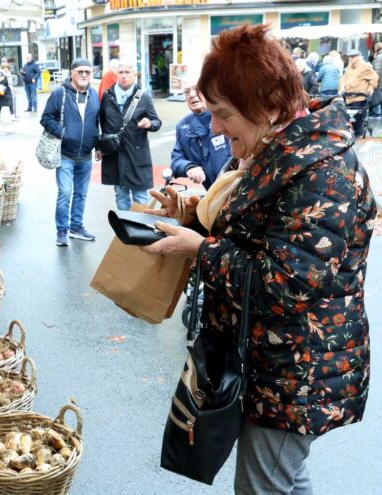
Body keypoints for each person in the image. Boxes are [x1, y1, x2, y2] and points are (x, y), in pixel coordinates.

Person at [142, 24, 376, 494]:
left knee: (262, 486)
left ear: (268, 107)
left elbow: (286, 283)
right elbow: (255, 227)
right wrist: (194, 216)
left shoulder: (322, 170)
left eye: (223, 114)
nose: (213, 127)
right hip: (272, 359)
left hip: (299, 368)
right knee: (283, 478)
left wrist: (201, 249)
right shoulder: (278, 148)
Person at [40, 58, 100, 247]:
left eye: (88, 72)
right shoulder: (60, 93)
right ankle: (62, 230)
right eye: (80, 71)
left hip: (86, 156)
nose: (84, 75)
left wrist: (98, 146)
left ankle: (76, 227)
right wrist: (63, 133)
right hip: (65, 154)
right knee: (65, 192)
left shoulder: (94, 94)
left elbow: (97, 121)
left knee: (81, 194)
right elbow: (46, 118)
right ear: (71, 73)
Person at [99, 62, 161, 211]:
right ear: (116, 75)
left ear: (134, 75)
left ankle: (141, 230)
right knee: (121, 196)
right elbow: (102, 123)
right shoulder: (108, 96)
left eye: (127, 72)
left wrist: (150, 124)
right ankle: (125, 231)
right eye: (121, 72)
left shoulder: (143, 97)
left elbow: (157, 122)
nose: (124, 75)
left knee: (140, 197)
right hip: (115, 155)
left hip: (137, 155)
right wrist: (100, 147)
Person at [170, 75, 231, 190]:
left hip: (238, 190)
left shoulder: (227, 116)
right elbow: (176, 161)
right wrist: (188, 167)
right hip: (213, 195)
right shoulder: (183, 126)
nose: (192, 95)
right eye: (187, 91)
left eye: (197, 88)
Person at [340, 49, 379, 137]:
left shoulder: (364, 66)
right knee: (347, 114)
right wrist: (342, 87)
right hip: (348, 95)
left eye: (353, 57)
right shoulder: (349, 67)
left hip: (359, 96)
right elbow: (343, 78)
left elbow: (374, 77)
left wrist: (371, 88)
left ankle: (357, 132)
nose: (351, 59)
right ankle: (351, 131)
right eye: (350, 57)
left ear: (358, 57)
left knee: (358, 115)